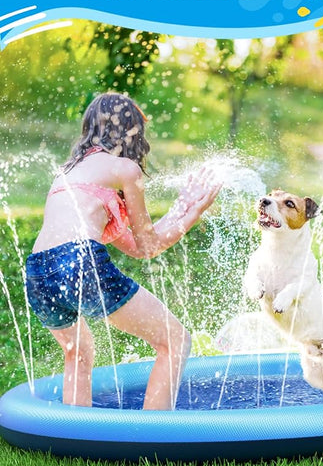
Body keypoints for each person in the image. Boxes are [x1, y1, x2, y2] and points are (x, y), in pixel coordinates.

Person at [25, 92, 221, 410]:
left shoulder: (68, 173)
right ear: (131, 132)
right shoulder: (125, 169)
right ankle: (154, 438)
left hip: (37, 272)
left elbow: (136, 245)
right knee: (174, 340)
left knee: (79, 350)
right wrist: (193, 213)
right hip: (79, 261)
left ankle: (76, 434)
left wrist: (181, 209)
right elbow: (149, 246)